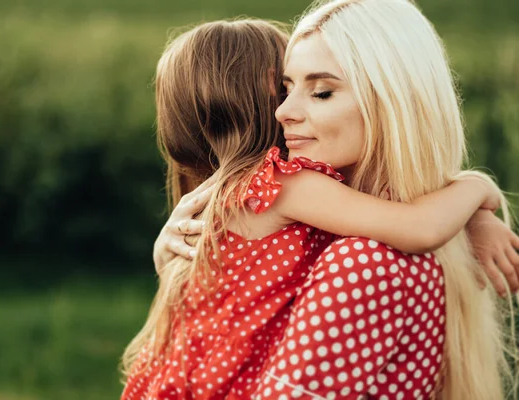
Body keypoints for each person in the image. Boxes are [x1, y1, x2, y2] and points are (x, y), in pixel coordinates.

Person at [124, 4, 519, 400]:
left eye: (322, 92)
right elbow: (419, 227)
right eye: (284, 89)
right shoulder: (293, 190)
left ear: (392, 102)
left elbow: (411, 221)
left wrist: (472, 218)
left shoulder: (326, 225)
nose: (283, 111)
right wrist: (476, 189)